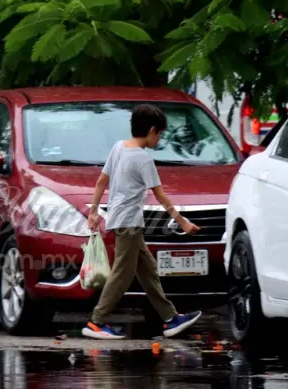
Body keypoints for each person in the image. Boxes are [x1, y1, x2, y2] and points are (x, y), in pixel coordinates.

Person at [83, 104, 203, 340]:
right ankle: (96, 321)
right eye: (160, 134)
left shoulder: (119, 148)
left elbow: (101, 181)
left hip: (120, 219)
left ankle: (170, 319)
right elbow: (160, 195)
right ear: (151, 130)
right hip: (129, 223)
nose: (159, 139)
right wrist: (183, 222)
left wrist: (94, 212)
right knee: (122, 274)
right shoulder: (143, 159)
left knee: (148, 270)